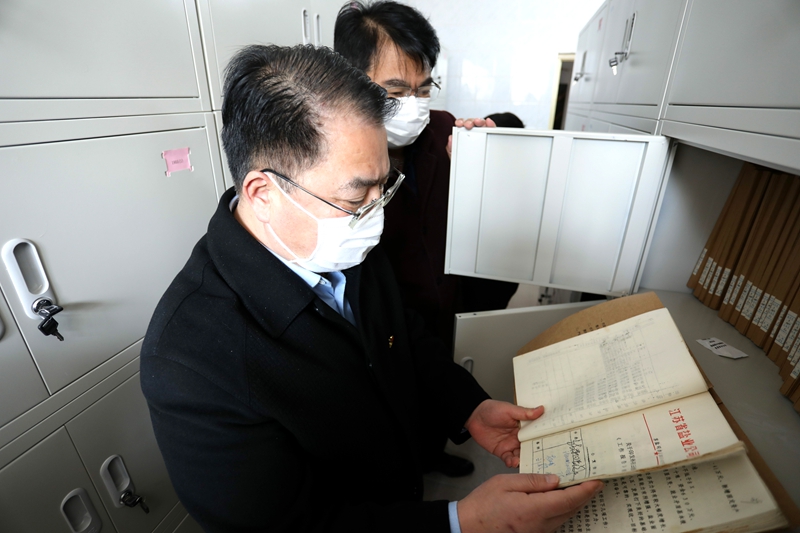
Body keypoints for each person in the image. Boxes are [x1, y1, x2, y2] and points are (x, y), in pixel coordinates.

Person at [140, 44, 601, 533]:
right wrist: (459, 521)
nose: (376, 215)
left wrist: (469, 407)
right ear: (264, 194)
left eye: (384, 186)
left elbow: (402, 333)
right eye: (357, 193)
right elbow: (289, 525)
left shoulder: (337, 240)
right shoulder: (189, 361)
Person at [334, 0, 494, 477]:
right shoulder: (335, 154)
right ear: (351, 81)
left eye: (424, 88)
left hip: (442, 293)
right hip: (383, 308)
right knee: (393, 398)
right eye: (397, 90)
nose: (414, 104)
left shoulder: (443, 129)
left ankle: (434, 451)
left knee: (440, 379)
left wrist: (485, 151)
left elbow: (480, 194)